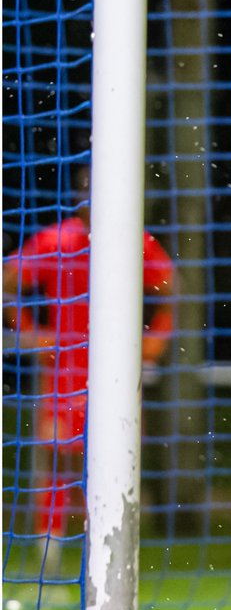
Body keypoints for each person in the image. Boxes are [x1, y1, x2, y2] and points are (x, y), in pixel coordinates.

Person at [2, 165, 175, 570]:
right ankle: (50, 554)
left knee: (116, 462)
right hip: (64, 373)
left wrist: (153, 342)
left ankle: (109, 555)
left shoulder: (136, 243)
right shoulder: (55, 240)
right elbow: (7, 283)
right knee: (59, 461)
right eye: (86, 190)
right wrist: (34, 333)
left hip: (115, 376)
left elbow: (172, 293)